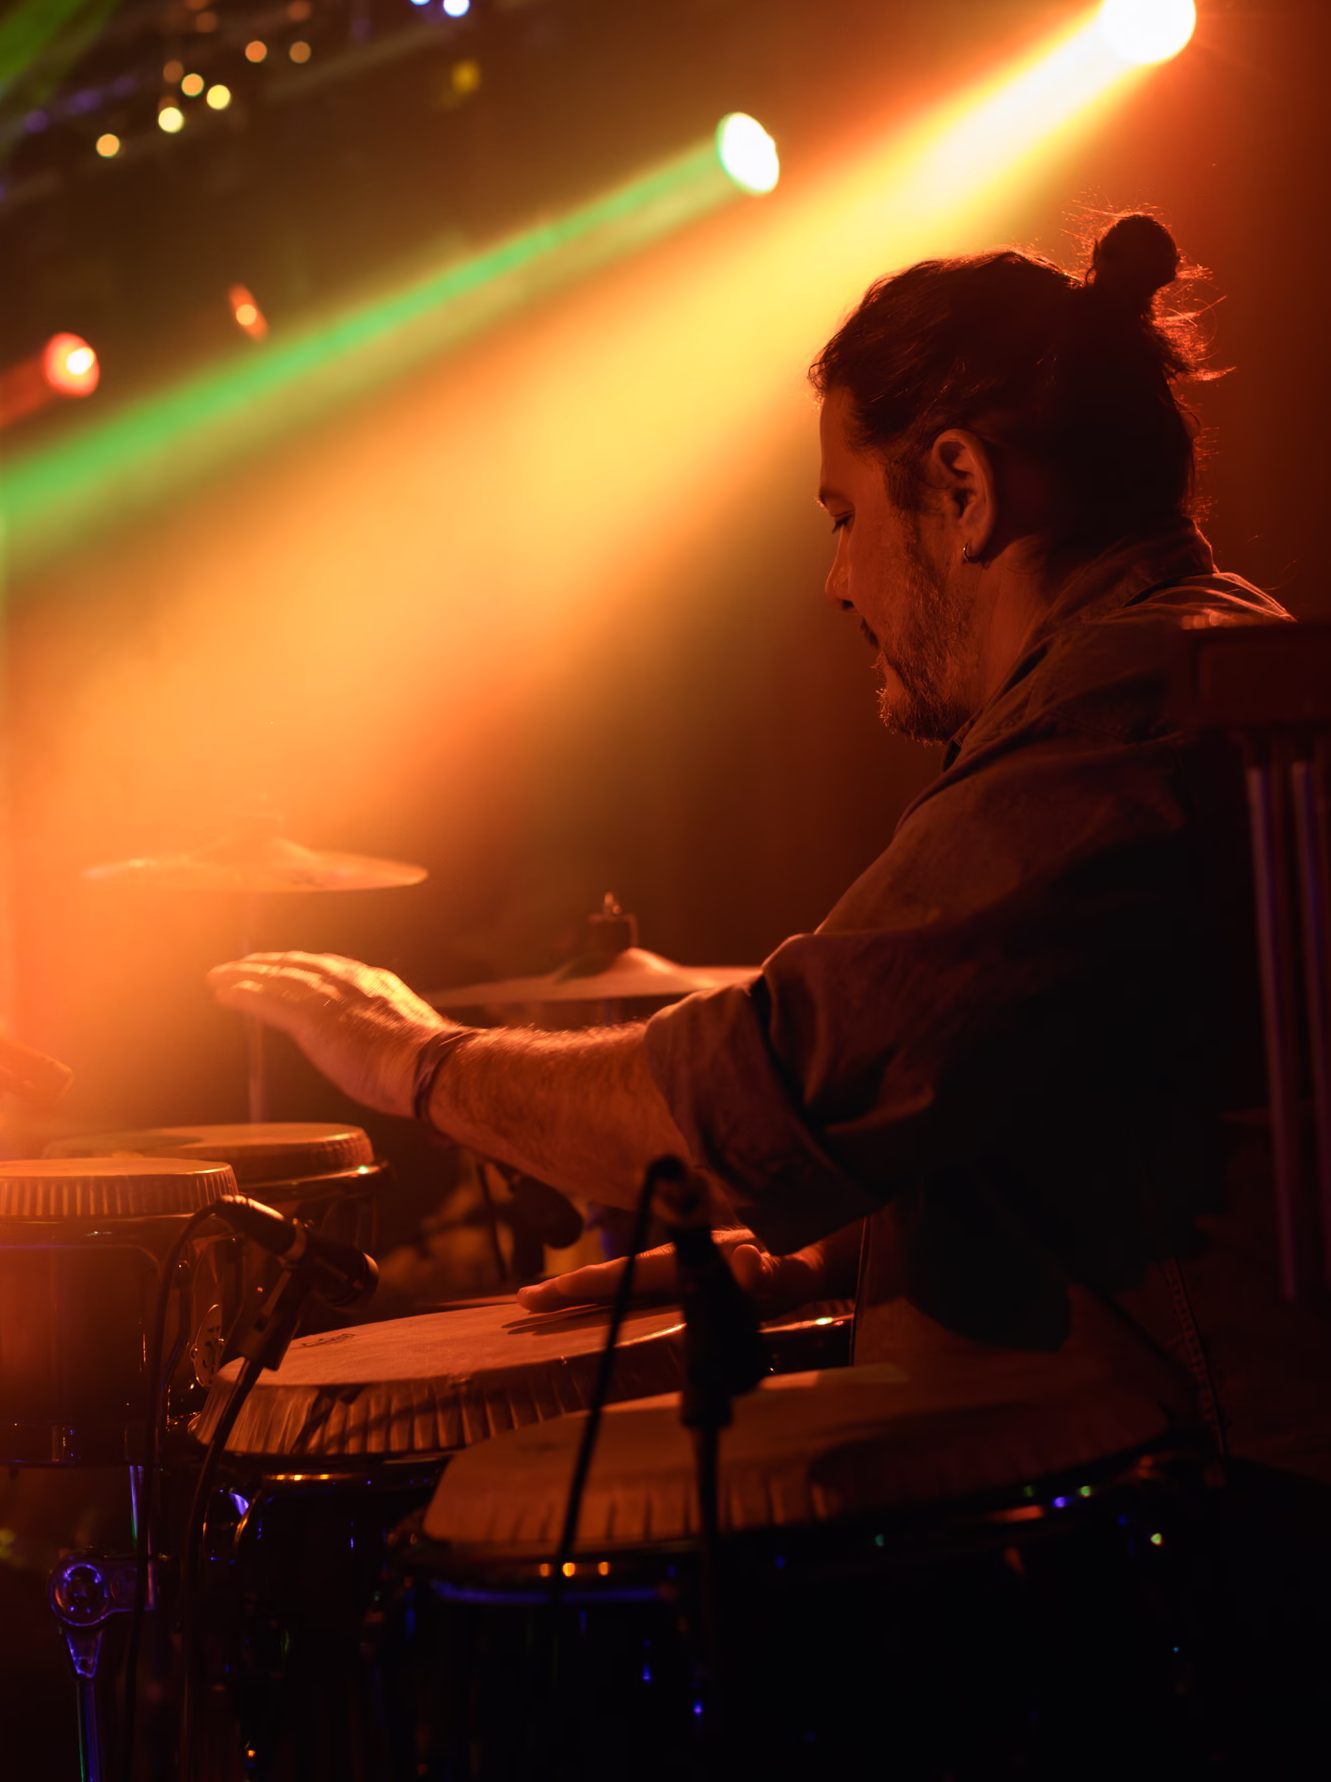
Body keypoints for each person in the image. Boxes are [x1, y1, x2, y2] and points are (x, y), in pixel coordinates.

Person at [211, 211, 1331, 1480]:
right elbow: (1098, 1116)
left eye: (841, 514)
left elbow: (767, 1092)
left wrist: (410, 1059)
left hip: (1246, 1545)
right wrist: (819, 1256)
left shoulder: (1124, 725)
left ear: (961, 489)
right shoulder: (1190, 662)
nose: (836, 582)